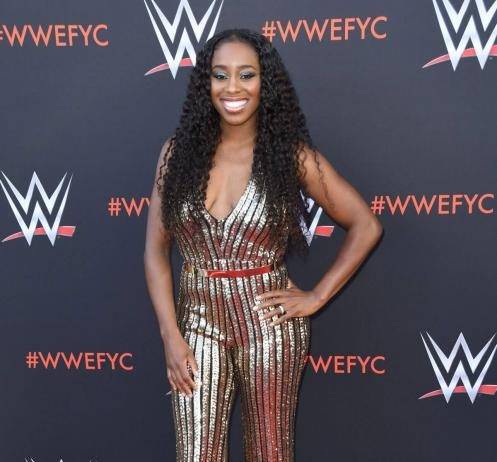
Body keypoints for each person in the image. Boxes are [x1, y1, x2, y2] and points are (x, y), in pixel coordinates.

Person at [144, 28, 382, 462]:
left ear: (264, 83)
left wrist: (316, 296)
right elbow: (155, 251)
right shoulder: (176, 155)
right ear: (206, 84)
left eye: (247, 74)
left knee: (270, 452)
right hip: (196, 324)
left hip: (268, 325)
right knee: (195, 454)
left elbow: (365, 225)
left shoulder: (290, 157)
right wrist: (170, 336)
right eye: (220, 75)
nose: (232, 88)